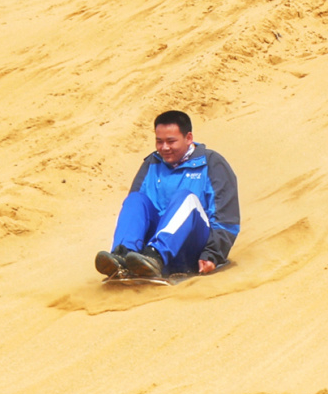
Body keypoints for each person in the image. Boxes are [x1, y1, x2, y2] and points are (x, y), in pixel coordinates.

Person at [95, 110, 240, 279]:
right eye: (159, 141)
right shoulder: (151, 163)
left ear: (189, 138)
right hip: (147, 255)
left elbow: (226, 220)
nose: (164, 148)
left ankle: (155, 257)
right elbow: (136, 216)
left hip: (193, 248)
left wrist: (212, 255)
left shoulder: (212, 163)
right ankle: (124, 258)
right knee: (135, 200)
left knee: (187, 199)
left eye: (171, 141)